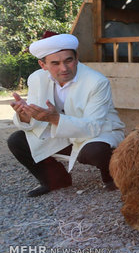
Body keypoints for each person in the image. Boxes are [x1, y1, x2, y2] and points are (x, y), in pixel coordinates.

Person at [8, 33, 125, 197]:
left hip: (98, 132)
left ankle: (112, 175)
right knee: (17, 140)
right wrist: (25, 116)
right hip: (60, 132)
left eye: (68, 60)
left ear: (76, 58)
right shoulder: (36, 78)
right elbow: (37, 119)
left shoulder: (97, 82)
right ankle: (56, 180)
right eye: (55, 63)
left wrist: (54, 119)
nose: (64, 68)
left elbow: (93, 126)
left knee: (94, 151)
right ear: (43, 64)